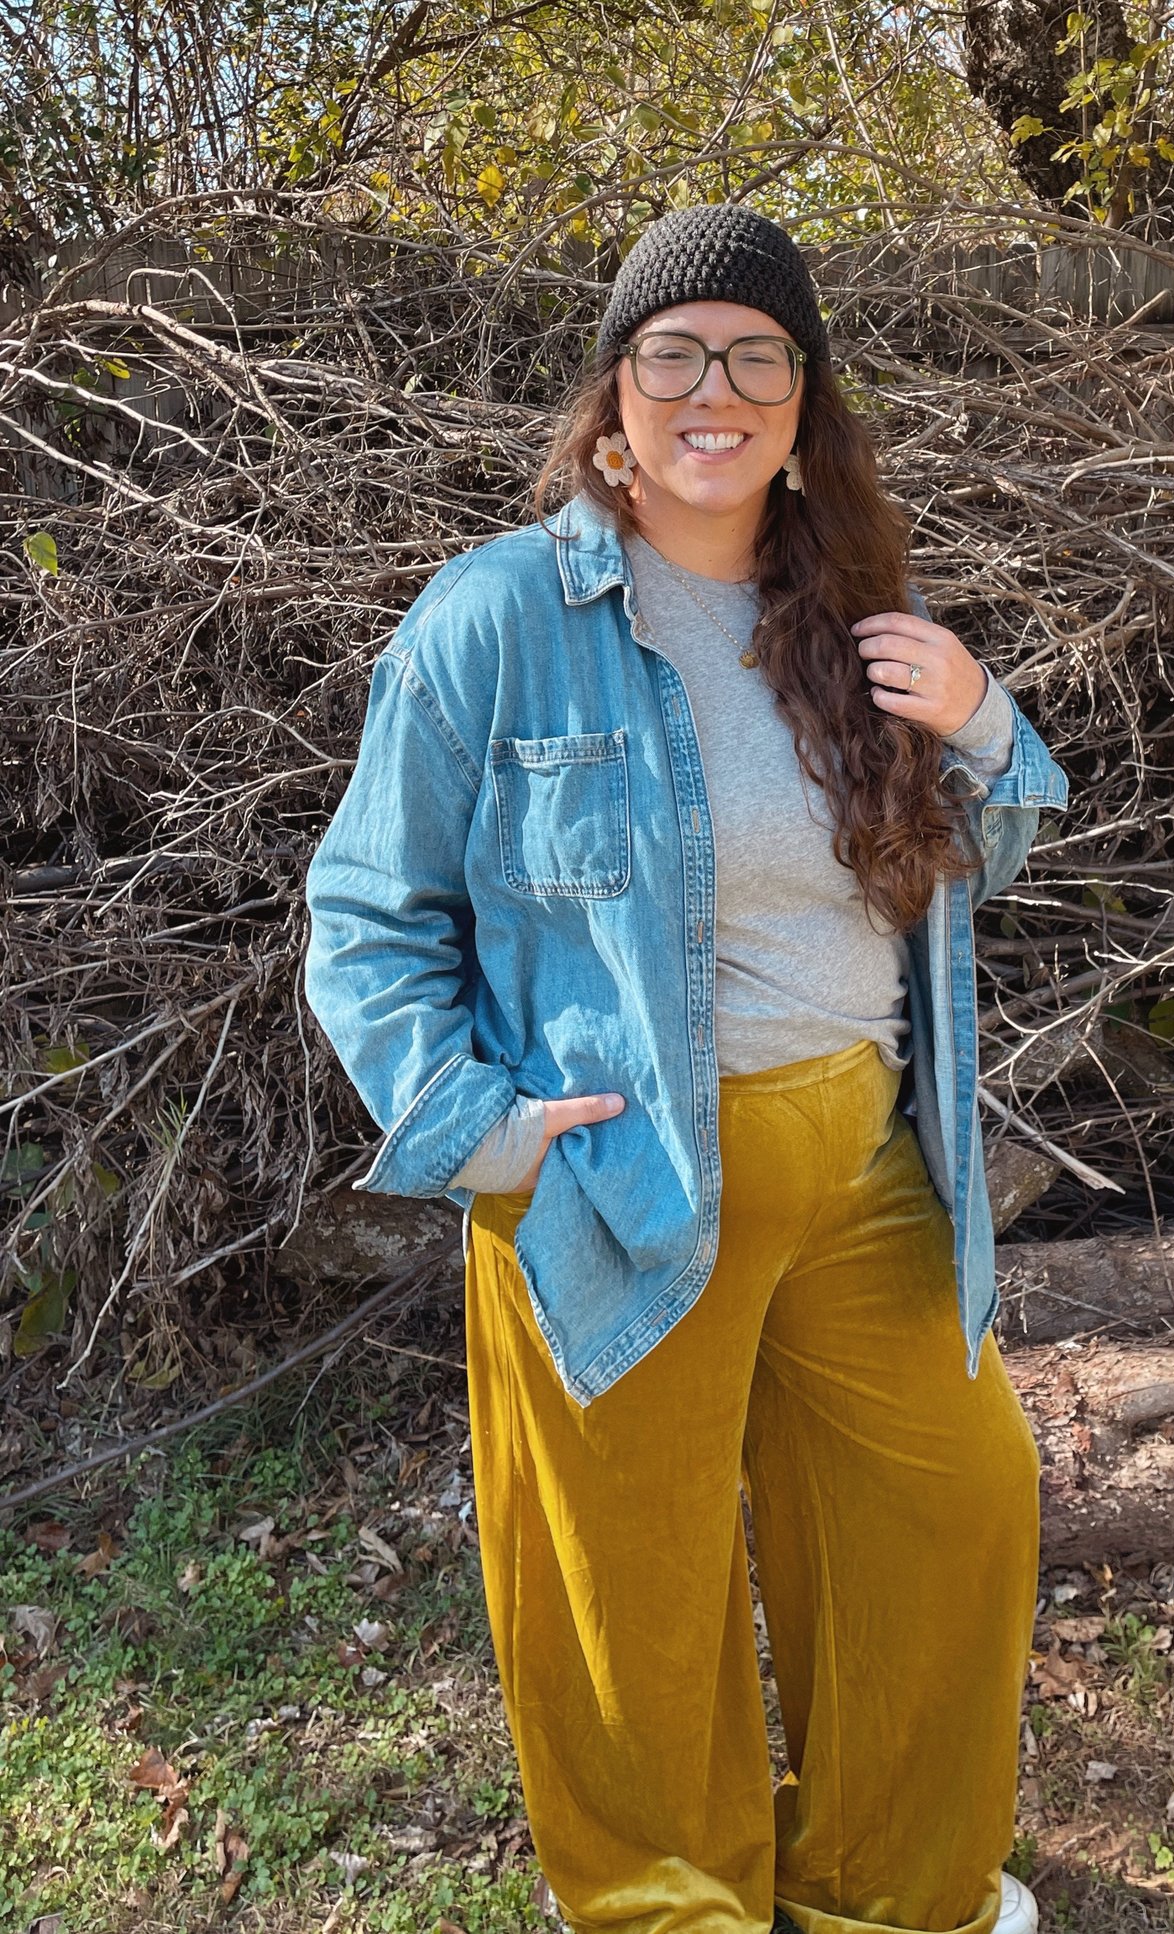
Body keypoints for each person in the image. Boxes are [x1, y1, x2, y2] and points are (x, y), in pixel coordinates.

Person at [304, 202, 1068, 1934]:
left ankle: (887, 1891)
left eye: (755, 357)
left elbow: (967, 860)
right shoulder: (498, 617)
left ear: (804, 407)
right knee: (631, 1601)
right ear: (615, 393)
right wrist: (477, 1133)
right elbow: (363, 909)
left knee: (950, 1504)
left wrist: (984, 722)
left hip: (866, 1165)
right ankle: (677, 1910)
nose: (712, 389)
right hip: (618, 1172)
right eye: (674, 353)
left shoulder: (854, 615)